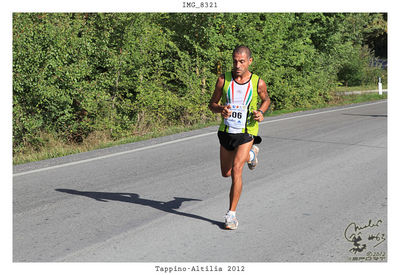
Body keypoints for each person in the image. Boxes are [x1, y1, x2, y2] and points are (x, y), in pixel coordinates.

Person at [208, 46, 270, 230]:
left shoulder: (258, 82)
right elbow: (211, 104)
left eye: (242, 61)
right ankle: (251, 156)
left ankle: (231, 215)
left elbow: (266, 100)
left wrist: (261, 112)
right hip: (227, 131)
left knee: (237, 169)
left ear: (250, 61)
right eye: (235, 61)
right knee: (225, 173)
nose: (237, 65)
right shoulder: (223, 80)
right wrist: (221, 109)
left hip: (247, 131)